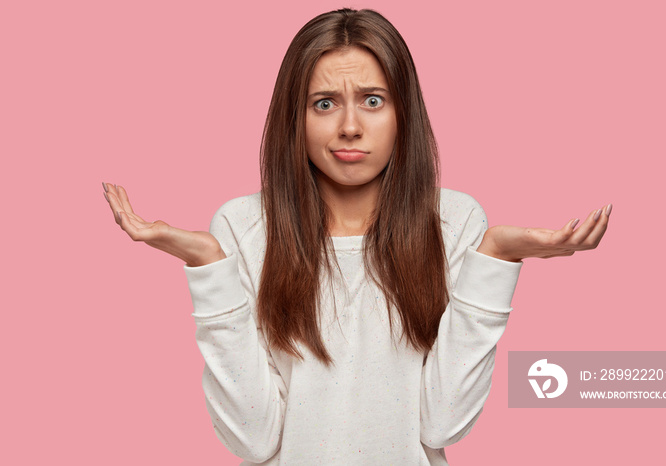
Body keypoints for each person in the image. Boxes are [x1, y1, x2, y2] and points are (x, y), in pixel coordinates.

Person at [103, 8, 610, 465]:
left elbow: (443, 424)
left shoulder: (454, 222)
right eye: (324, 104)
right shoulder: (242, 227)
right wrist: (209, 268)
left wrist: (494, 260)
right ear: (294, 119)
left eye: (372, 100)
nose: (349, 126)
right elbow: (253, 440)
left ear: (402, 113)